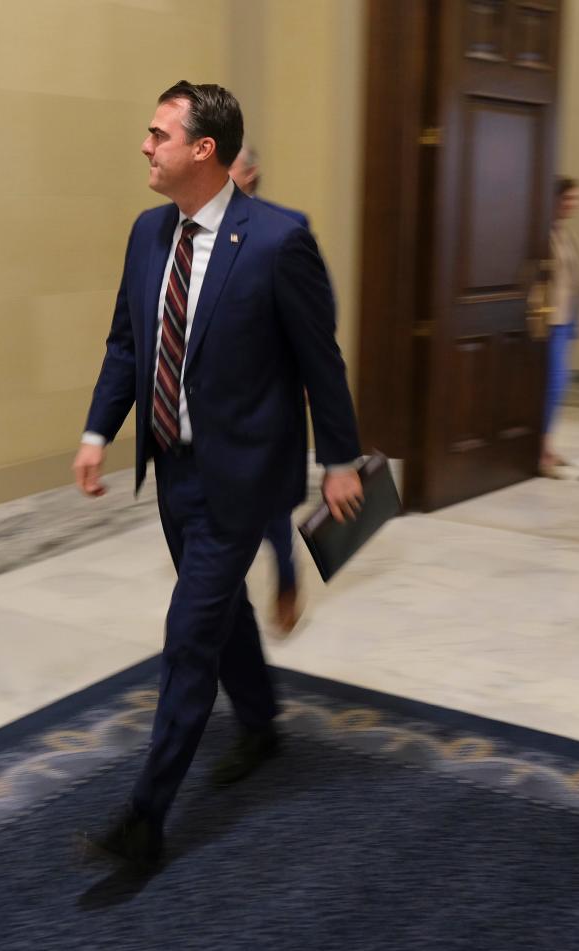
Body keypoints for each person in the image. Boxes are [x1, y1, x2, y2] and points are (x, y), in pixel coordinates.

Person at [71, 81, 363, 872]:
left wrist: (339, 457)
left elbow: (319, 358)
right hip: (175, 469)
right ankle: (262, 722)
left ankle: (146, 817)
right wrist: (100, 430)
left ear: (205, 150)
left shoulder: (277, 240)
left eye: (158, 133)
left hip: (244, 472)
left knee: (188, 632)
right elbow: (127, 345)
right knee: (223, 608)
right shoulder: (145, 234)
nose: (145, 145)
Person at [227, 143, 308, 632]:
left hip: (271, 391)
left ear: (250, 173)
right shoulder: (186, 230)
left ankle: (286, 575)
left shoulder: (288, 228)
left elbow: (314, 317)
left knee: (270, 501)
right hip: (215, 397)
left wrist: (304, 377)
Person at [540, 177, 579, 478]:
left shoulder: (564, 233)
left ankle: (547, 445)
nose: (573, 204)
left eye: (576, 199)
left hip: (566, 318)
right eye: (568, 198)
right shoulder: (542, 233)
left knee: (560, 384)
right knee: (552, 385)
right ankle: (542, 451)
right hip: (550, 320)